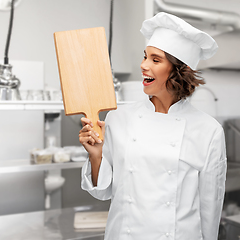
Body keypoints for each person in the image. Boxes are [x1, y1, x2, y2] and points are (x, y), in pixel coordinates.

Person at [79, 12, 227, 240]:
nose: (143, 65)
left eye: (155, 60)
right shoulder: (119, 117)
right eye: (145, 57)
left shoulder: (208, 130)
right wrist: (96, 156)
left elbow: (210, 206)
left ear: (180, 71)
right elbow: (103, 192)